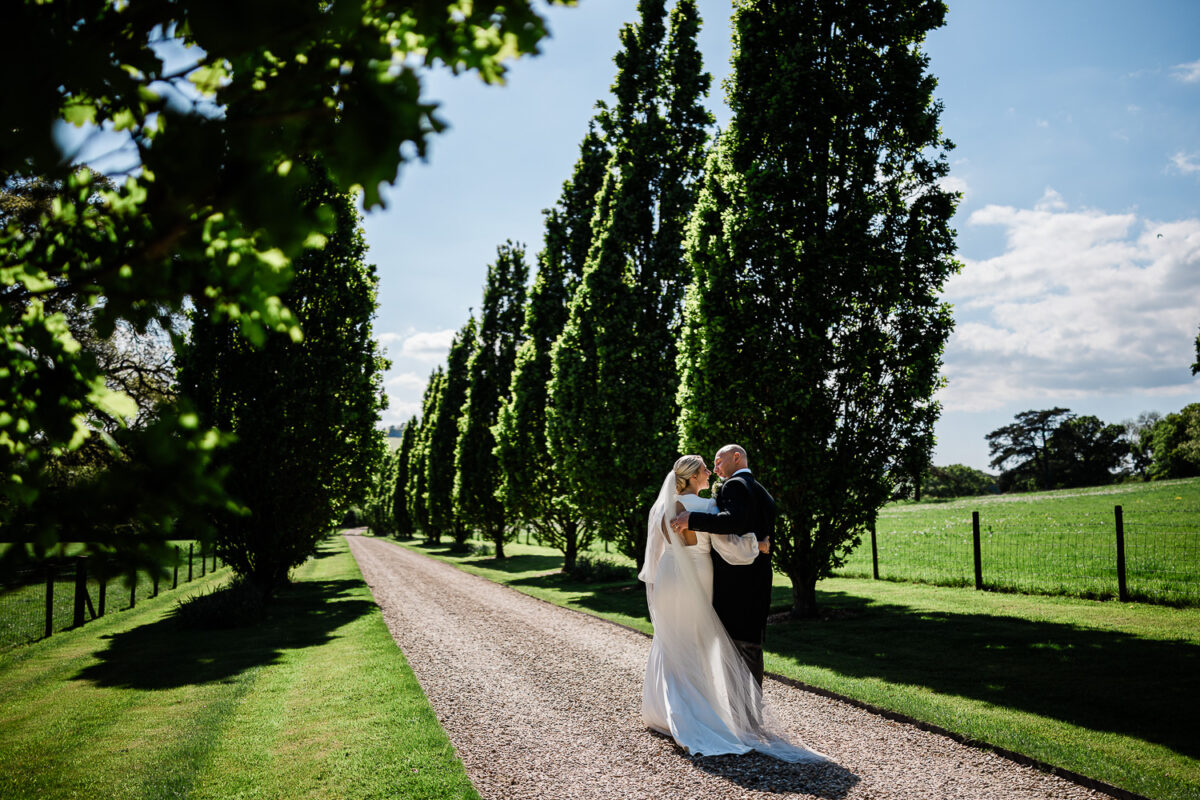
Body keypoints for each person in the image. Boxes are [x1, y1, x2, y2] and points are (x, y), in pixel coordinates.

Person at [639, 454, 824, 762]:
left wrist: (659, 582)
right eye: (704, 470)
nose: (710, 473)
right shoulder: (707, 507)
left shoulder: (662, 506)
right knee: (696, 643)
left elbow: (656, 553)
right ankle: (691, 716)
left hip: (668, 577)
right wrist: (757, 545)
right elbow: (727, 543)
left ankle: (661, 712)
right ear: (694, 477)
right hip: (697, 576)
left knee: (670, 640)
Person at [670, 444, 774, 686]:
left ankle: (739, 715)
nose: (714, 468)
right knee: (751, 645)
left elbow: (732, 525)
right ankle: (750, 713)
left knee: (735, 647)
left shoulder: (734, 485)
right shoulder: (761, 491)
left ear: (736, 458)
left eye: (718, 461)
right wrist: (760, 546)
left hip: (735, 581)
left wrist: (692, 519)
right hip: (759, 579)